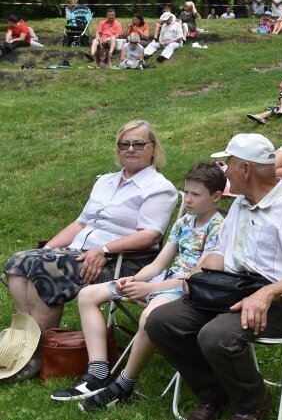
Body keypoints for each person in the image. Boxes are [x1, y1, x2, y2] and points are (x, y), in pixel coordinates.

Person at [146, 133, 282, 420]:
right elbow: (221, 254)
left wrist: (266, 294)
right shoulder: (240, 205)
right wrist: (197, 279)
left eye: (227, 164)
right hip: (233, 291)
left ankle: (251, 403)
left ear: (245, 169)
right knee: (161, 321)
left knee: (216, 336)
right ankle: (213, 392)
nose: (224, 171)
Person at [2, 120, 177, 381]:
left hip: (124, 262)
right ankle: (26, 343)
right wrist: (48, 248)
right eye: (124, 144)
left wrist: (103, 249)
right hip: (82, 252)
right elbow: (80, 223)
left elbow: (150, 235)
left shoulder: (159, 188)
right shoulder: (105, 181)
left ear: (153, 148)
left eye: (139, 143)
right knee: (19, 262)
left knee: (47, 267)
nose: (131, 149)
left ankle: (37, 355)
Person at [50, 162, 226, 411]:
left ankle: (124, 385)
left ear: (216, 197)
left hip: (186, 288)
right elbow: (157, 264)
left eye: (195, 194)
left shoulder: (219, 227)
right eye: (185, 192)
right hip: (164, 278)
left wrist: (150, 291)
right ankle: (99, 372)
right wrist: (136, 281)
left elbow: (197, 279)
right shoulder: (184, 222)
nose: (187, 199)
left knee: (150, 316)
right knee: (88, 294)